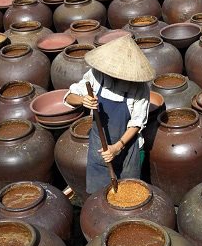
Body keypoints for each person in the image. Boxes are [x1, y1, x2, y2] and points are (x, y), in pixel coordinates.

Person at [64, 35, 155, 194]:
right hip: (99, 146)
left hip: (127, 147)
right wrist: (82, 100)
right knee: (100, 197)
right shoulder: (96, 75)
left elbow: (137, 123)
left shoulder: (139, 88)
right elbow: (69, 97)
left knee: (128, 193)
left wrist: (117, 147)